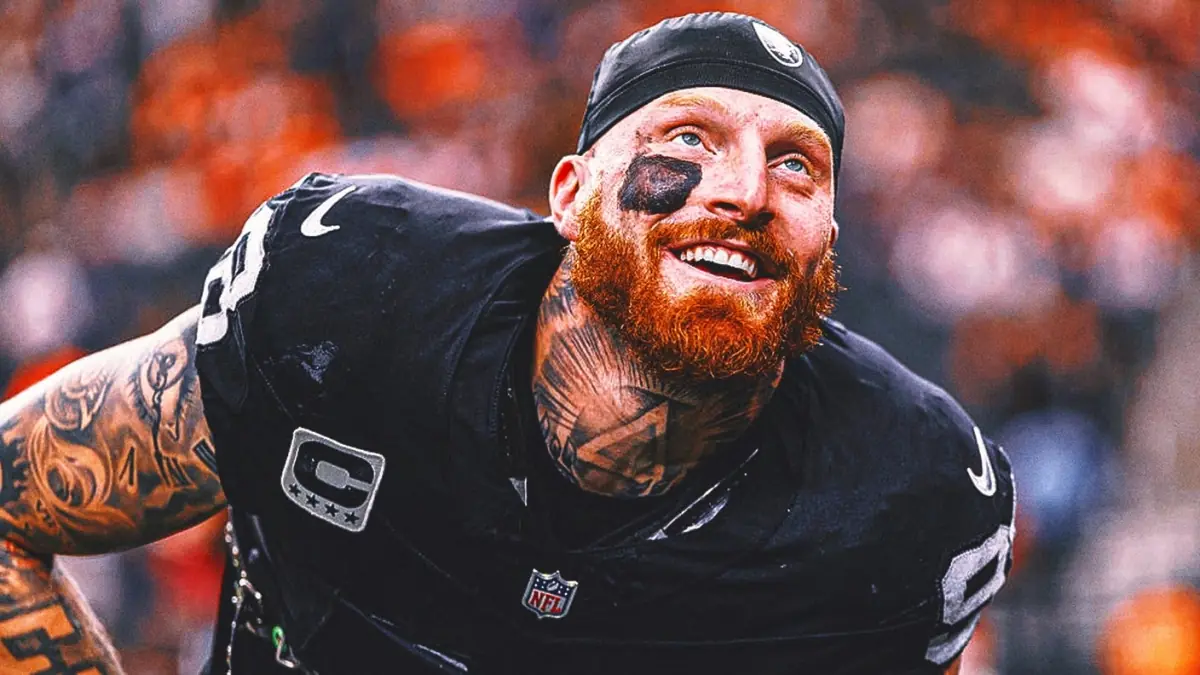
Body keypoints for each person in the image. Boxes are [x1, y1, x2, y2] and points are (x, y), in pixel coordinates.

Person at [0, 13, 1014, 675]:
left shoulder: (908, 494)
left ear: (828, 238)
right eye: (687, 139)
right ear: (568, 196)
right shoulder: (355, 294)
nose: (746, 190)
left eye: (797, 166)